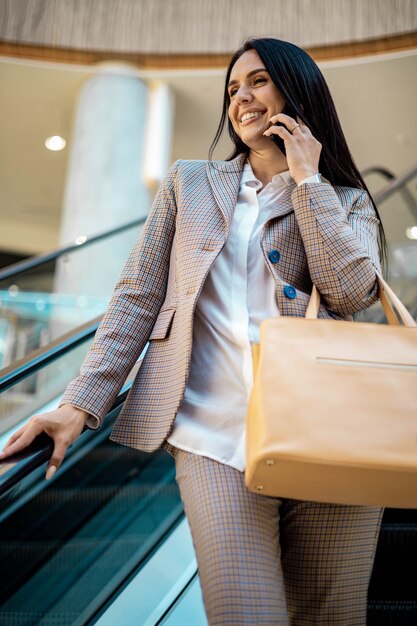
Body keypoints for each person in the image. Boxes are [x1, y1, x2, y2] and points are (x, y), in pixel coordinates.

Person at [0, 38, 387, 625]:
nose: (242, 98)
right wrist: (77, 406)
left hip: (331, 435)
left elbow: (351, 291)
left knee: (330, 616)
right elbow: (137, 298)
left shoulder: (347, 199)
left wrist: (307, 182)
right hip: (212, 434)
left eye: (257, 81)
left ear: (297, 88)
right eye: (233, 89)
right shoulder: (191, 183)